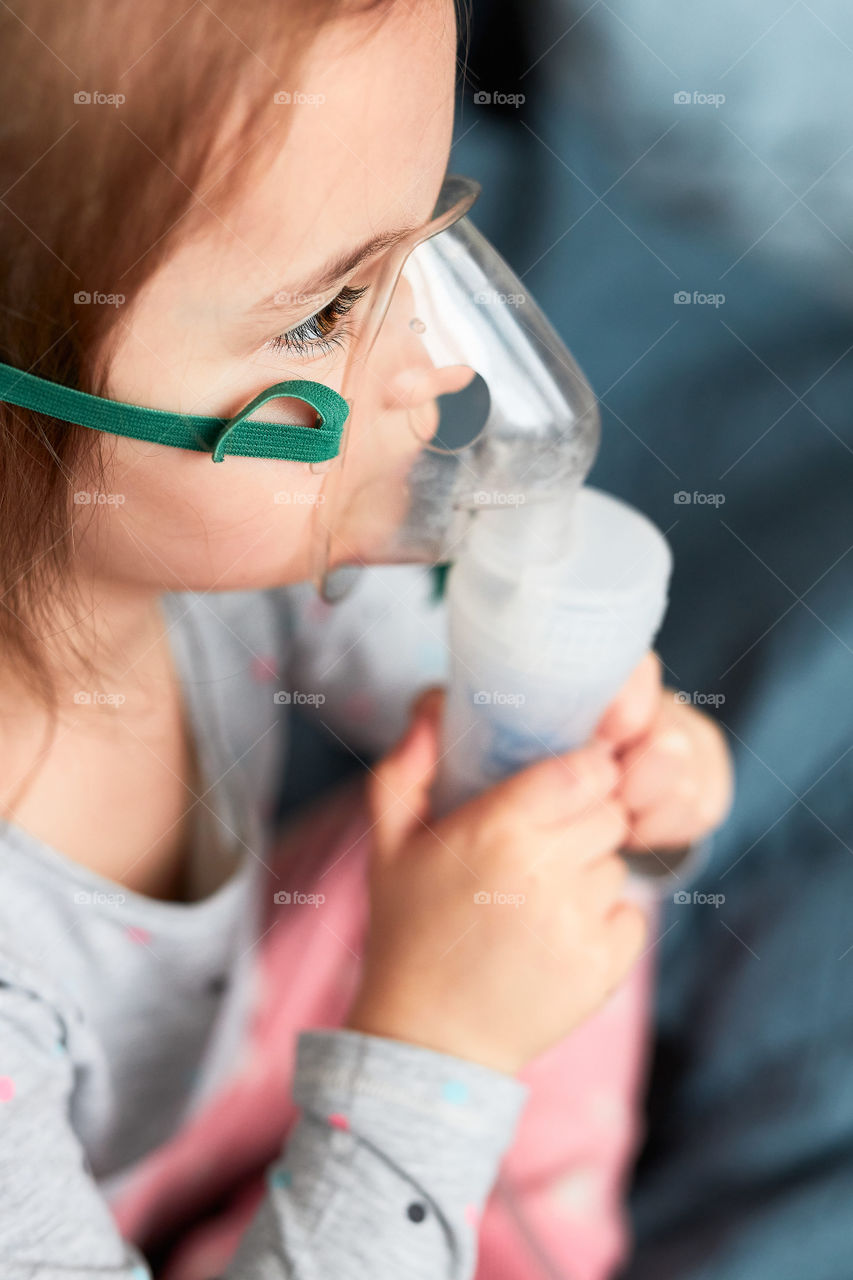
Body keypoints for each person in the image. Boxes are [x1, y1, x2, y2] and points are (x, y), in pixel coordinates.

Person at [0, 1, 732, 1276]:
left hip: (198, 1074)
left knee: (524, 852)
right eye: (327, 313)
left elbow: (450, 706)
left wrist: (605, 774)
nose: (442, 371)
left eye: (424, 250)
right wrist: (430, 1052)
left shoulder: (226, 556)